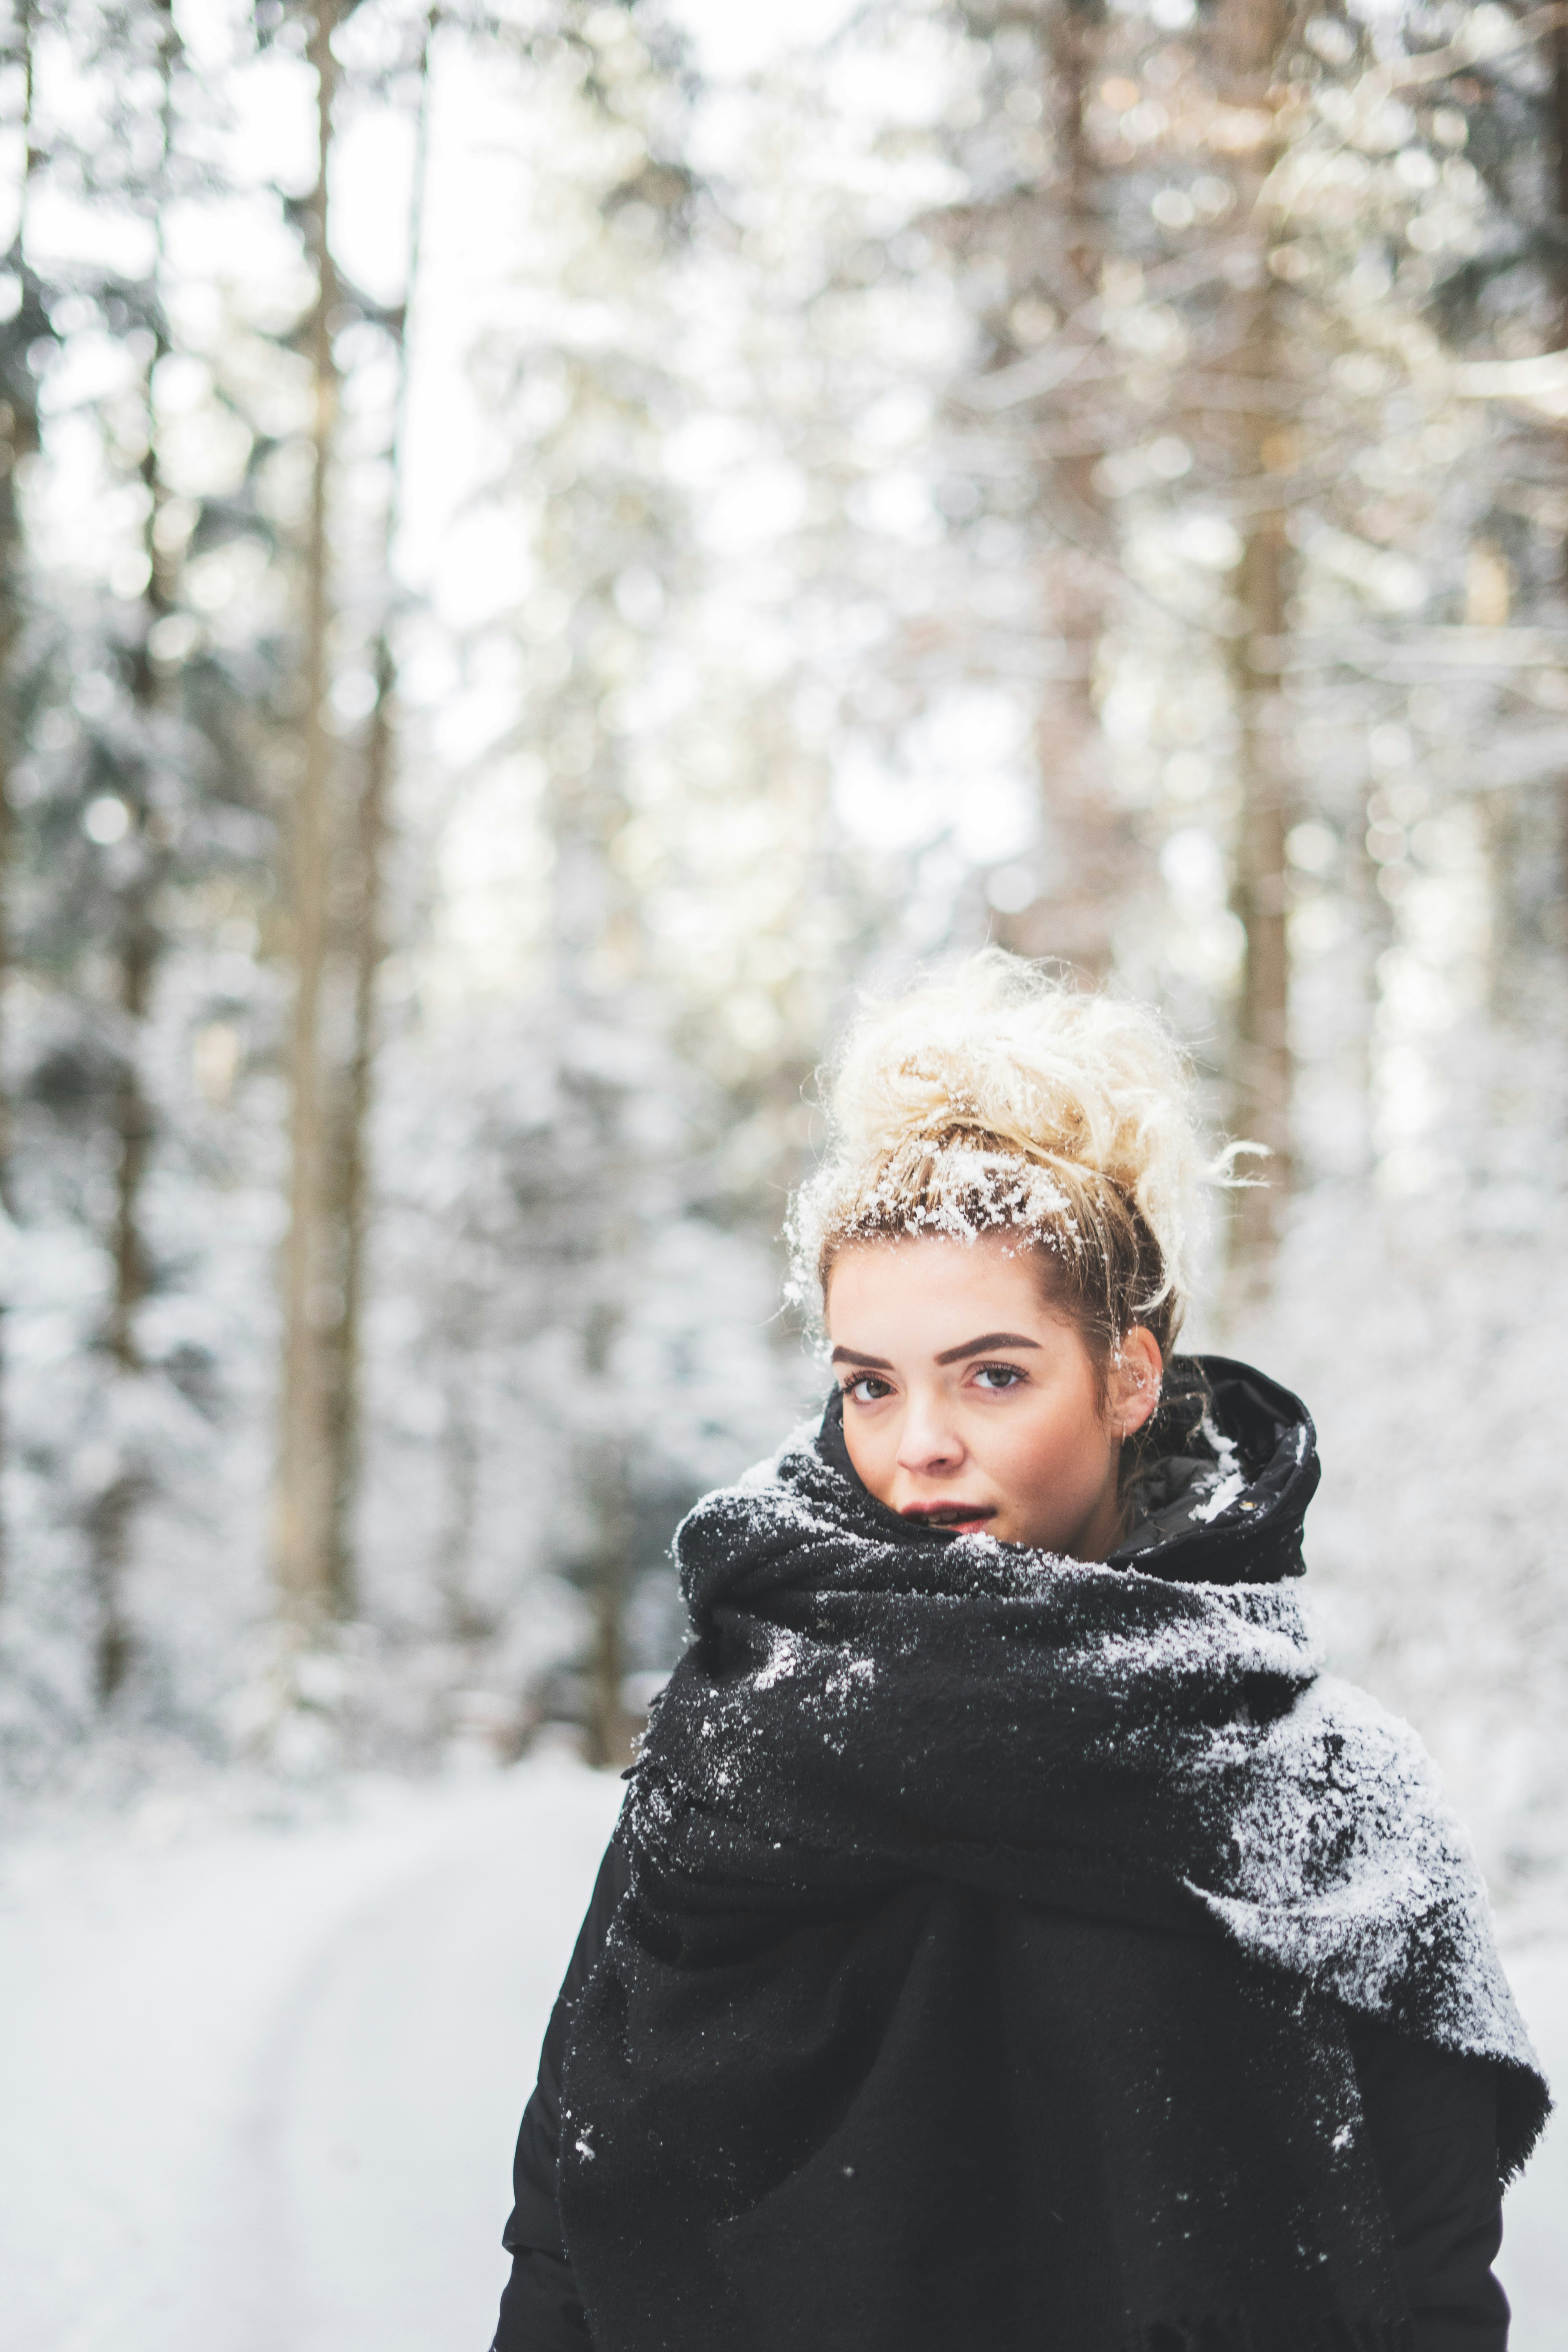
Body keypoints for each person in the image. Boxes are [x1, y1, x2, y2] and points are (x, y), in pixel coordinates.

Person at [491, 953, 1549, 2352]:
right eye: (871, 1383)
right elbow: (568, 2225)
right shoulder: (746, 1731)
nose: (918, 1443)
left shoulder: (1324, 1786)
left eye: (992, 1374)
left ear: (1127, 1376)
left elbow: (1427, 2286)